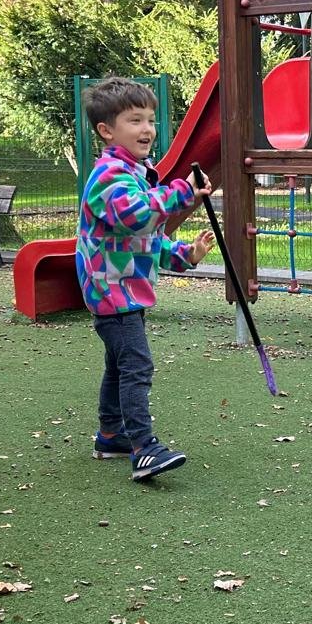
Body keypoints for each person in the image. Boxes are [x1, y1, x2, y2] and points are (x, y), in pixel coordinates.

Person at [75, 77, 215, 481]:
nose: (147, 129)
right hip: (110, 289)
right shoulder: (109, 176)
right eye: (135, 120)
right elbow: (136, 216)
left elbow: (148, 237)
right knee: (136, 364)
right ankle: (143, 448)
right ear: (107, 130)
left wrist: (185, 254)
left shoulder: (136, 172)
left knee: (119, 364)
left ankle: (111, 435)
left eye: (150, 120)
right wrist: (182, 192)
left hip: (124, 288)